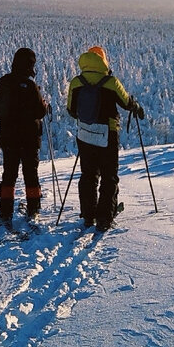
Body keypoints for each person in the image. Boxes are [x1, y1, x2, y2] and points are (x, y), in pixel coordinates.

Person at [66, 45, 142, 231]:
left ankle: (88, 215)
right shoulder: (111, 82)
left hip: (85, 134)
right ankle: (105, 218)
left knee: (88, 175)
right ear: (103, 61)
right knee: (109, 176)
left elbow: (71, 109)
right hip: (107, 135)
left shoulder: (77, 82)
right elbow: (126, 103)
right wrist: (136, 106)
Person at [0, 47, 48, 225]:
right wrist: (45, 105)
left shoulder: (5, 81)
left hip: (9, 138)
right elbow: (40, 110)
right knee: (31, 174)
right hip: (29, 139)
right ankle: (33, 209)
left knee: (9, 175)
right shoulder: (30, 85)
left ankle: (6, 212)